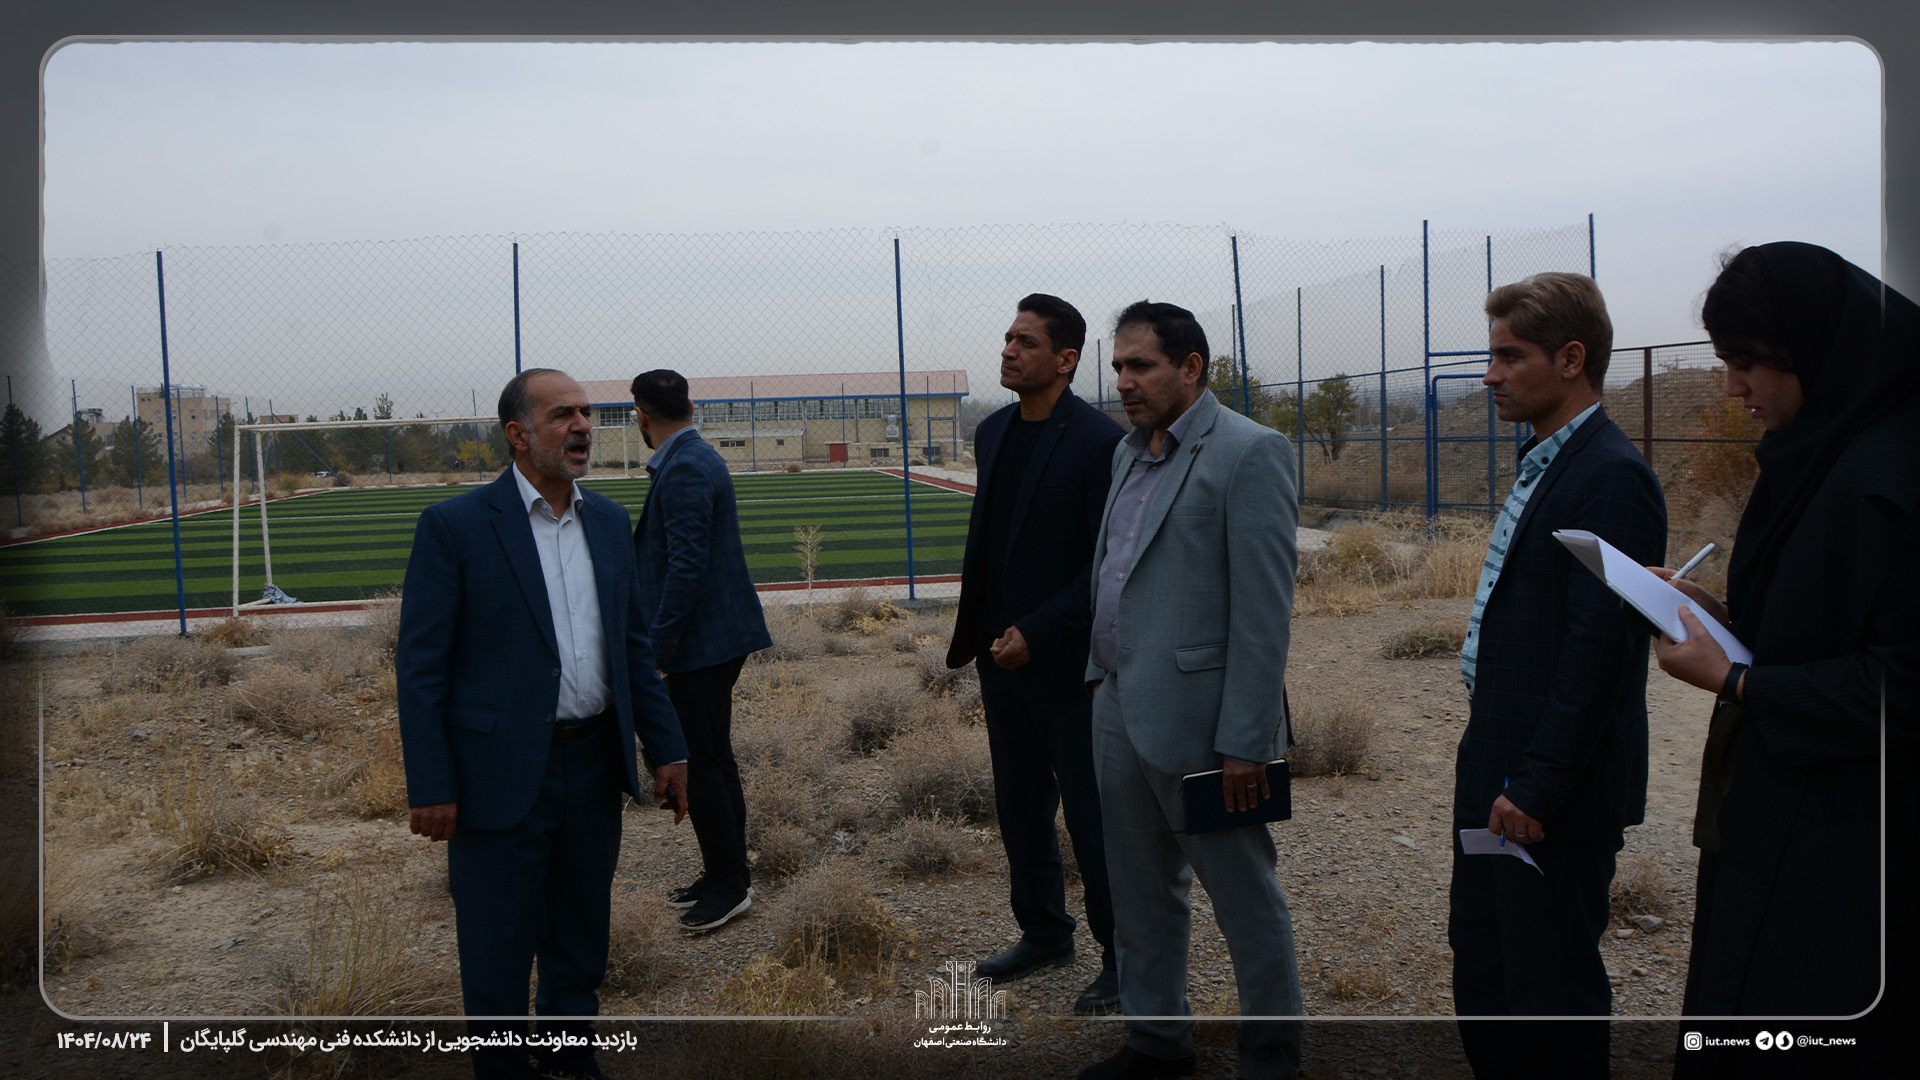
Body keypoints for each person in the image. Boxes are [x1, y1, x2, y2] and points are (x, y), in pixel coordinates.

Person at [1647, 243, 1918, 1063]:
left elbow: (1900, 682)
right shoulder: (1825, 451)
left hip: (1851, 865)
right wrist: (1718, 616)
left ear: (1813, 349)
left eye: (1748, 363)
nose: (1735, 389)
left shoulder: (1890, 478)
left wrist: (1737, 681)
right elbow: (1824, 626)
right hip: (1784, 831)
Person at [397, 368, 690, 1080]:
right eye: (563, 415)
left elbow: (632, 648)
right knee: (497, 946)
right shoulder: (456, 527)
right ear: (519, 435)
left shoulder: (608, 523)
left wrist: (668, 748)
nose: (583, 426)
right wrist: (431, 783)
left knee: (580, 935)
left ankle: (569, 1058)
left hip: (592, 766)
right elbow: (422, 669)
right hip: (496, 777)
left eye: (586, 413)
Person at [1447, 272, 1665, 1080]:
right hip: (1501, 762)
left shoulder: (1609, 475)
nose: (1491, 375)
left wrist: (1536, 787)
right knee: (1487, 961)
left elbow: (1598, 652)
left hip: (1549, 796)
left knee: (1548, 990)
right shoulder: (1550, 461)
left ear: (1571, 359)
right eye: (1492, 355)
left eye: (1510, 356)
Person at [1078, 300, 1303, 1080]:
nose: (1124, 381)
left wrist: (1247, 739)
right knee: (1139, 894)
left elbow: (1264, 612)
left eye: (1140, 365)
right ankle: (1156, 1042)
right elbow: (1116, 573)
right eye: (1118, 366)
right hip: (1117, 707)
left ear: (1191, 367)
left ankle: (1271, 1058)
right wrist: (1099, 679)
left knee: (1245, 900)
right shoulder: (1127, 453)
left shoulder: (1251, 452)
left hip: (1208, 731)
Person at [945, 293, 1126, 1013]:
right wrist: (991, 635)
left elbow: (1104, 564)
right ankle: (1046, 933)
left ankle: (1123, 957)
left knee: (1092, 817)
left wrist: (1040, 632)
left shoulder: (1099, 441)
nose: (1009, 350)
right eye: (1008, 338)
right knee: (1020, 808)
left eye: (1026, 342)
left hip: (1069, 666)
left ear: (1066, 359)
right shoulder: (992, 432)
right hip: (1001, 662)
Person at [630, 367, 773, 933]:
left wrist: (656, 647)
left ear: (641, 415)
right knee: (714, 759)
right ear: (690, 407)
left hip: (702, 644)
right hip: (712, 640)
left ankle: (728, 885)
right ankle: (726, 873)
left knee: (701, 764)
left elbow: (686, 570)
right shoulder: (694, 457)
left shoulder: (686, 465)